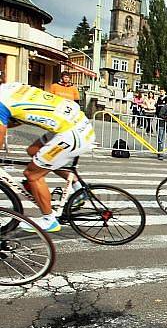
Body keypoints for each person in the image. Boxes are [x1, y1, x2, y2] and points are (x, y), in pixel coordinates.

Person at [0, 81, 96, 232]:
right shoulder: (10, 87)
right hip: (75, 122)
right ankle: (78, 188)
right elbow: (19, 116)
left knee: (32, 175)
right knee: (33, 151)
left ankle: (48, 220)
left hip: (70, 133)